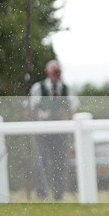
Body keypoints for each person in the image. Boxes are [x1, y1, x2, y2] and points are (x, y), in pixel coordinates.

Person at [28, 60, 79, 201]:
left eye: (58, 72)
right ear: (48, 73)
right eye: (53, 72)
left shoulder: (68, 89)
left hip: (61, 134)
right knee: (41, 162)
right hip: (42, 133)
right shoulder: (38, 88)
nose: (56, 75)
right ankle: (41, 194)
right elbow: (31, 110)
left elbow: (73, 111)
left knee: (60, 163)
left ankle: (58, 194)